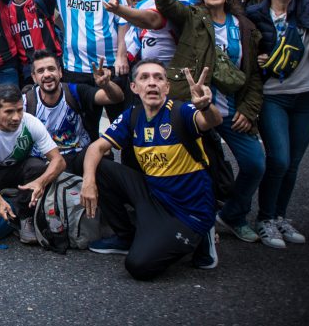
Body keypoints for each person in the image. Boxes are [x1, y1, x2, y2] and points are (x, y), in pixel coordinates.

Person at [151, 0, 264, 245]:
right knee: (192, 166)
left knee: (256, 164)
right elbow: (164, 3)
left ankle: (232, 216)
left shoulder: (246, 27)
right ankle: (187, 220)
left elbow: (253, 77)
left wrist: (249, 109)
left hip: (231, 111)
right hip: (191, 107)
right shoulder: (192, 17)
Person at [81, 61, 222, 279]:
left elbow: (211, 120)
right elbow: (96, 147)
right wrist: (88, 182)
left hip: (185, 210)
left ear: (167, 87)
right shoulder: (133, 116)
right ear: (134, 88)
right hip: (153, 194)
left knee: (139, 266)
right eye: (144, 78)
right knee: (97, 166)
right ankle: (125, 236)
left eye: (158, 78)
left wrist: (205, 105)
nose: (152, 83)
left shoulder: (181, 111)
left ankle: (203, 234)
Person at [246, 0, 309, 248]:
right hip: (273, 97)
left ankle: (280, 217)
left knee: (294, 163)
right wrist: (257, 59)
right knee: (279, 159)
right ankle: (264, 219)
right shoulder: (253, 14)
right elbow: (240, 50)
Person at [0, 50, 124, 173]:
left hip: (79, 156)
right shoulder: (26, 101)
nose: (47, 74)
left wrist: (107, 85)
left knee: (104, 160)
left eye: (51, 69)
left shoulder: (75, 91)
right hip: (45, 162)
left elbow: (115, 98)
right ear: (34, 77)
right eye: (40, 71)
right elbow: (0, 113)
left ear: (60, 72)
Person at [0, 83, 66, 243]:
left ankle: (25, 216)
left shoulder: (30, 122)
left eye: (19, 110)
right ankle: (8, 200)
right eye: (9, 112)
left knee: (37, 167)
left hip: (20, 168)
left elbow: (58, 161)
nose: (16, 117)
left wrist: (40, 182)